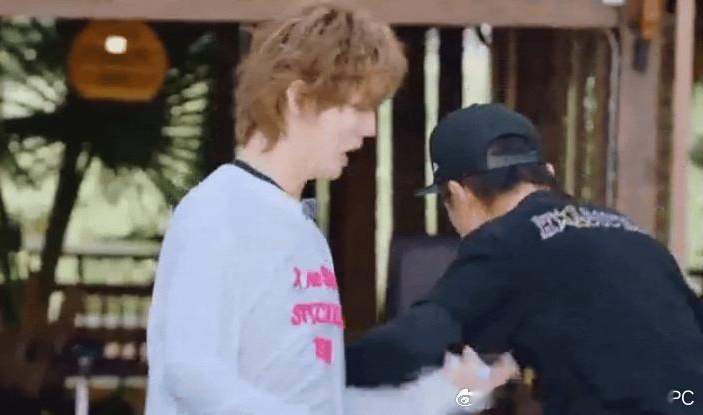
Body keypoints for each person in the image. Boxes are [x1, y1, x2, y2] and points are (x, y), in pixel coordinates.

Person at [144, 3, 517, 415]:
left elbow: (325, 406)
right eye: (358, 108)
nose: (370, 128)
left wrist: (455, 395)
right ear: (298, 98)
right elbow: (190, 372)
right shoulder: (217, 212)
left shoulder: (303, 231)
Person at [345, 103, 703, 415]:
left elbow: (409, 345)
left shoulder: (505, 240)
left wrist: (326, 368)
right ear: (549, 173)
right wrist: (473, 389)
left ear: (457, 193)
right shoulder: (629, 233)